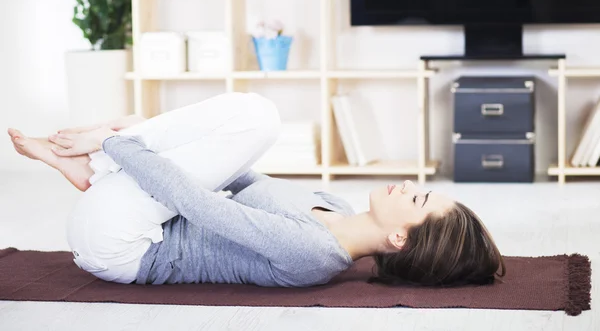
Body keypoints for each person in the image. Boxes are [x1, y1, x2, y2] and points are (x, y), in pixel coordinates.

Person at [7, 92, 506, 288]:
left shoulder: (314, 253)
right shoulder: (335, 207)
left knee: (260, 117)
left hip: (125, 246)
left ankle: (100, 156)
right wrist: (158, 136)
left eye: (417, 200)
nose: (410, 187)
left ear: (400, 239)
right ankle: (92, 169)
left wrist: (120, 142)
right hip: (138, 216)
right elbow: (236, 176)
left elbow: (199, 205)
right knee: (222, 126)